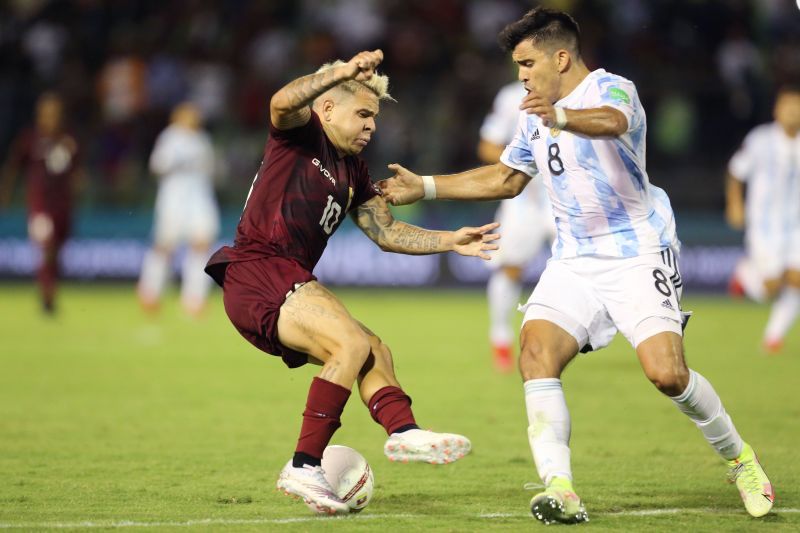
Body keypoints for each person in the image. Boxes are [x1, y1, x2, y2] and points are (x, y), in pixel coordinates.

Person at [380, 7, 774, 523]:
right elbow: (506, 179)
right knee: (536, 352)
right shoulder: (532, 112)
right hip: (574, 258)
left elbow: (613, 124)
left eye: (526, 62)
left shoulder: (613, 90)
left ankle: (740, 459)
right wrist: (426, 186)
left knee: (667, 374)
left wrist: (560, 116)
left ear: (560, 57)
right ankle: (560, 488)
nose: (520, 75)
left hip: (637, 252)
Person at [204, 50, 497, 515]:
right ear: (326, 108)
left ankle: (404, 432)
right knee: (349, 343)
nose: (372, 126)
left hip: (286, 277)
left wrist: (450, 240)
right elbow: (281, 102)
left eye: (374, 117)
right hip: (258, 268)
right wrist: (338, 74)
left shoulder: (353, 173)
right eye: (363, 114)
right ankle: (304, 465)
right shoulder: (300, 135)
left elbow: (388, 232)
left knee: (372, 346)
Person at [478, 80, 555, 372]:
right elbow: (487, 145)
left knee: (584, 261)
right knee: (511, 267)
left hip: (570, 195)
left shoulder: (580, 93)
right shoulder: (511, 96)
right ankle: (501, 338)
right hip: (526, 199)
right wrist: (522, 163)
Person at [725, 84, 800, 353]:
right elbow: (736, 172)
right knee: (770, 287)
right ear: (777, 110)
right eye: (787, 106)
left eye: (797, 106)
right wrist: (735, 203)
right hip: (765, 226)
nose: (792, 112)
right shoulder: (760, 140)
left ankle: (773, 337)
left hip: (796, 227)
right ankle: (744, 275)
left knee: (796, 279)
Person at [0, 92, 81, 314]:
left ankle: (50, 286)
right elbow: (14, 166)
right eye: (47, 112)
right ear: (40, 114)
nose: (51, 117)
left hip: (63, 206)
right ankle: (47, 294)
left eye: (55, 113)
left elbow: (77, 172)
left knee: (57, 251)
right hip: (39, 206)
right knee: (47, 245)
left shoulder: (68, 139)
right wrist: (6, 192)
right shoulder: (30, 139)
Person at [137, 102, 220, 317]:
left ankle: (194, 298)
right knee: (164, 246)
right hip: (174, 199)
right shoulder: (170, 137)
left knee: (201, 245)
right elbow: (157, 166)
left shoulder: (202, 139)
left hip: (199, 198)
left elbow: (212, 170)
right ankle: (150, 292)